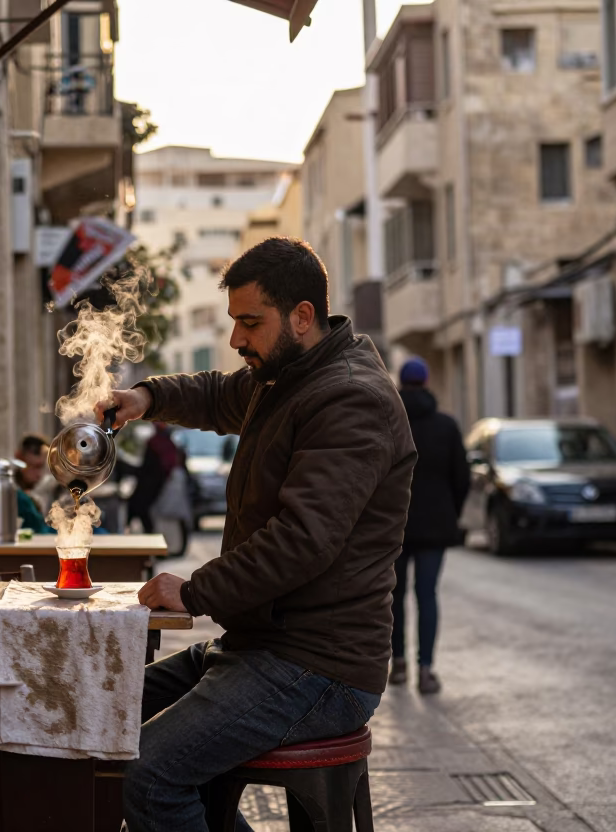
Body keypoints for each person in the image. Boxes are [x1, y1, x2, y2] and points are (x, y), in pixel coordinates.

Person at [96, 237, 417, 831]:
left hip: (319, 665)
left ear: (301, 316)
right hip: (256, 647)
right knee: (103, 713)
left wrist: (193, 593)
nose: (237, 339)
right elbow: (220, 395)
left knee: (150, 776)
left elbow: (303, 539)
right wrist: (148, 396)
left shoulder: (349, 398)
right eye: (234, 323)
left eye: (250, 323)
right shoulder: (288, 374)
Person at [390, 359, 470, 695]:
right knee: (427, 596)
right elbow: (462, 479)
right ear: (426, 383)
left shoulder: (388, 424)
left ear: (401, 384)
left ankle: (398, 665)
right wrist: (451, 511)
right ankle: (425, 671)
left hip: (394, 526)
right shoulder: (447, 426)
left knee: (395, 597)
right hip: (436, 525)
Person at [126, 422, 184, 534]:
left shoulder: (159, 443)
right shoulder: (163, 443)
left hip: (153, 483)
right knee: (139, 507)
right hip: (153, 482)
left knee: (140, 507)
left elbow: (153, 466)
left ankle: (147, 533)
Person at [15, 433, 54, 534]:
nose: (39, 475)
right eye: (36, 466)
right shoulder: (16, 496)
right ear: (19, 458)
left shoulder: (40, 487)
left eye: (42, 468)